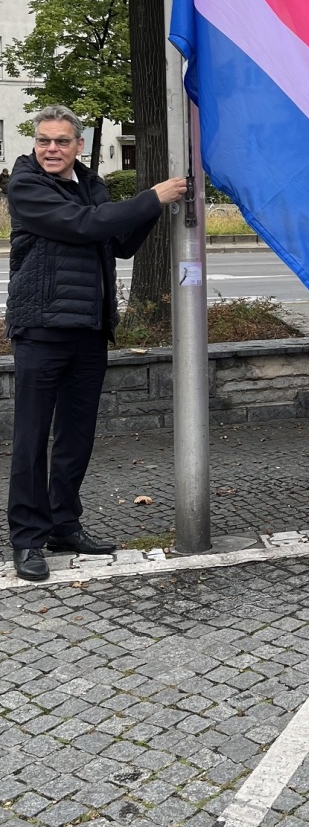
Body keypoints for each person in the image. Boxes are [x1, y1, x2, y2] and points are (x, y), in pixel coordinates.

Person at [5, 105, 187, 582]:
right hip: (40, 330)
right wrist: (150, 196)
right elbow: (84, 225)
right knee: (31, 440)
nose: (51, 149)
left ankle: (64, 526)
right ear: (35, 143)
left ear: (78, 145)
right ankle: (27, 538)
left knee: (76, 437)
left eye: (61, 141)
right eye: (44, 140)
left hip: (88, 330)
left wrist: (153, 208)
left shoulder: (91, 185)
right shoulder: (25, 185)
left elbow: (118, 242)